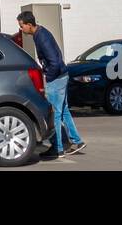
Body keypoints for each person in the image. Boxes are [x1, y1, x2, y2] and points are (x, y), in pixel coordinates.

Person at [17, 11, 84, 157]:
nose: (21, 29)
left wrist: (49, 78)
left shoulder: (41, 37)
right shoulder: (40, 34)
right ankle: (77, 141)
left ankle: (58, 148)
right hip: (62, 75)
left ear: (29, 24)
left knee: (55, 114)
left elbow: (53, 60)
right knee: (64, 111)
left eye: (22, 26)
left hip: (57, 78)